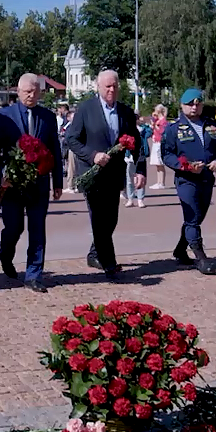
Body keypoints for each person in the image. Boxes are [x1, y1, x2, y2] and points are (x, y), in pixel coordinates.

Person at [65, 70, 146, 281]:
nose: (111, 90)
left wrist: (140, 170)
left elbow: (137, 143)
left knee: (111, 220)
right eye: (107, 86)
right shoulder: (86, 109)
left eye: (115, 86)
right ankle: (109, 264)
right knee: (99, 219)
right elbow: (72, 139)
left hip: (114, 175)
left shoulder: (125, 113)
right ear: (98, 87)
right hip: (92, 174)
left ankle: (95, 254)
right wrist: (92, 156)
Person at [0, 73, 62, 293]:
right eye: (26, 91)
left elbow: (55, 151)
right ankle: (5, 253)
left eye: (34, 91)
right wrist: (1, 176)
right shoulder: (4, 116)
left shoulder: (47, 117)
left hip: (39, 183)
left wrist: (57, 181)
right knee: (14, 226)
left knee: (37, 228)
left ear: (40, 92)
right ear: (18, 92)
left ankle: (34, 275)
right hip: (12, 183)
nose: (31, 95)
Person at [161, 88, 216, 275]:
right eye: (190, 104)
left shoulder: (212, 126)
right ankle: (201, 258)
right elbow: (166, 155)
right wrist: (185, 167)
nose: (194, 107)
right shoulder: (173, 129)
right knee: (192, 218)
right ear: (182, 106)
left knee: (198, 216)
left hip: (207, 178)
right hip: (186, 179)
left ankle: (180, 250)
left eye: (197, 103)